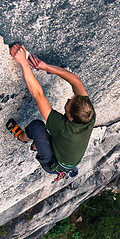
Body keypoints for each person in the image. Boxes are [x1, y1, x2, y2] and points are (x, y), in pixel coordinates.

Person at [7, 43, 95, 176]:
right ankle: (41, 144)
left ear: (70, 118)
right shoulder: (87, 112)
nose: (68, 100)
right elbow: (75, 80)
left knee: (36, 126)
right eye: (72, 98)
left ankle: (22, 138)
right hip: (68, 154)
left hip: (55, 163)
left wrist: (23, 62)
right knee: (51, 136)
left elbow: (38, 94)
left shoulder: (64, 128)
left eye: (68, 104)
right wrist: (46, 67)